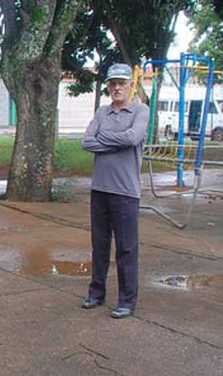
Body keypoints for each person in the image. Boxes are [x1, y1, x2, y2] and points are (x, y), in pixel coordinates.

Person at [81, 63, 149, 319]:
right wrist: (118, 139)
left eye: (122, 83)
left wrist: (105, 139)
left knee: (126, 248)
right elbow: (87, 141)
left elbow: (133, 138)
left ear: (130, 86)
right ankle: (96, 293)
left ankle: (127, 301)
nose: (117, 87)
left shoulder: (141, 110)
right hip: (100, 189)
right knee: (99, 244)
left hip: (126, 192)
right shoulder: (102, 112)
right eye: (113, 83)